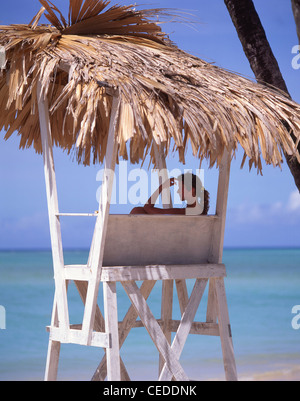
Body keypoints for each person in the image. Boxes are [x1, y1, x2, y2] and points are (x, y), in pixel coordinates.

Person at [130, 172, 210, 215]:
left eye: (180, 188)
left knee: (137, 211)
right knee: (138, 211)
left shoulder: (185, 212)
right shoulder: (198, 210)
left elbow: (147, 208)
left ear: (191, 190)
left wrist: (162, 187)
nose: (178, 191)